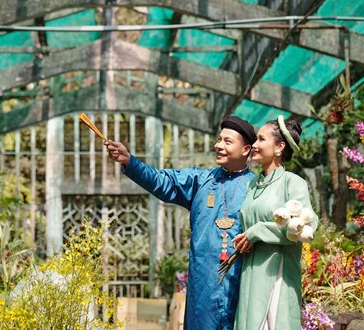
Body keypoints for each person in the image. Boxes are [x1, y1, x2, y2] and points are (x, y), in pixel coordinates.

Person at [105, 116, 257, 330]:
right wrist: (130, 161)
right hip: (203, 284)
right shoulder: (200, 180)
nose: (218, 146)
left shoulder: (257, 188)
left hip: (243, 281)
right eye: (218, 139)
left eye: (227, 141)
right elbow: (161, 181)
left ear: (245, 149)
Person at [232, 115, 318, 330]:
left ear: (279, 146)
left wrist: (258, 231)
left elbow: (307, 226)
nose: (254, 144)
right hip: (250, 270)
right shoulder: (253, 184)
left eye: (261, 139)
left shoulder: (292, 182)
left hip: (276, 271)